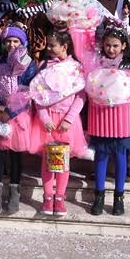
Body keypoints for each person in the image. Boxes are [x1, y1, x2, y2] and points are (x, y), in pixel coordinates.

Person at [86, 26, 130, 216]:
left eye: (115, 45)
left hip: (124, 115)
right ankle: (99, 195)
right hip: (100, 115)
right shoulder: (97, 64)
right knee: (101, 155)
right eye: (107, 45)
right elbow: (89, 90)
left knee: (121, 156)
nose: (111, 49)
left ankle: (119, 197)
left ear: (124, 46)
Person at [29, 28, 88, 217]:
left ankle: (60, 197)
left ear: (64, 46)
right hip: (48, 120)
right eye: (48, 45)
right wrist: (44, 117)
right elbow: (37, 94)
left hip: (66, 122)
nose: (48, 48)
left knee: (63, 161)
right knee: (48, 160)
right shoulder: (44, 66)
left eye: (52, 45)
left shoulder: (75, 68)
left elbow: (81, 96)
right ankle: (48, 197)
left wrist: (69, 118)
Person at [0, 27, 37, 215]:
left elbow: (29, 90)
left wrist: (12, 111)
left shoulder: (28, 64)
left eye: (16, 41)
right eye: (8, 41)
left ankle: (15, 193)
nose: (11, 45)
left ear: (23, 43)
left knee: (16, 155)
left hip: (18, 115)